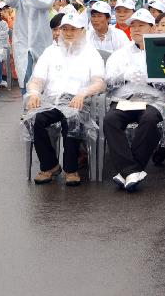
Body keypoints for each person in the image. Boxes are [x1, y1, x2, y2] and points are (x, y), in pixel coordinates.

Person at [24, 13, 105, 186]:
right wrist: (34, 94)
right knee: (36, 119)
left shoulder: (90, 53)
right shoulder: (50, 52)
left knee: (72, 118)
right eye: (64, 29)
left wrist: (83, 93)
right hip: (52, 100)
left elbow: (99, 82)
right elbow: (37, 79)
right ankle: (50, 165)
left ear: (82, 31)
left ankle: (71, 169)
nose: (68, 33)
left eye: (73, 29)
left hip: (78, 100)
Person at [102, 9, 165, 192]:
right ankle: (132, 171)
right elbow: (107, 83)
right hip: (125, 99)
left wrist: (152, 80)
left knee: (149, 120)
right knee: (110, 120)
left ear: (153, 28)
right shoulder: (120, 54)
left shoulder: (164, 51)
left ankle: (127, 171)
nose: (136, 29)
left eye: (141, 25)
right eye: (133, 26)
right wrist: (124, 77)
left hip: (153, 101)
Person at [5, 0, 52, 94]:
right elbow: (9, 2)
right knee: (25, 73)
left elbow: (46, 4)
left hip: (40, 38)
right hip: (22, 39)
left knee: (42, 74)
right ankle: (27, 109)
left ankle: (41, 107)